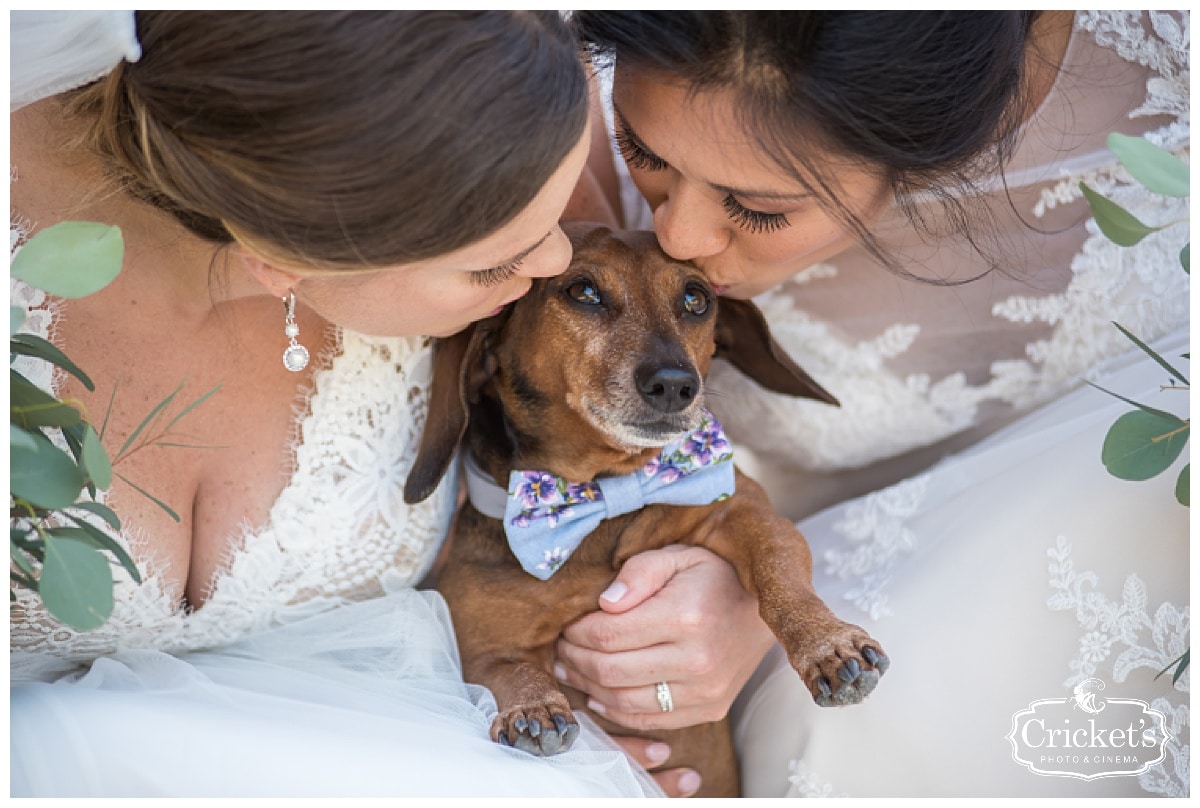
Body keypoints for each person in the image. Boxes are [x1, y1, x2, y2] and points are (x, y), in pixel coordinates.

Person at [9, 10, 668, 797]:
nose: (558, 258)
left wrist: (694, 585)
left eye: (554, 221)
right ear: (280, 263)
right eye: (493, 269)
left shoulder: (499, 99)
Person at [561, 10, 1190, 797]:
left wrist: (775, 597)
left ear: (935, 157)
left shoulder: (1169, 75)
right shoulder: (551, 94)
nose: (678, 234)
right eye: (643, 150)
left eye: (757, 209)